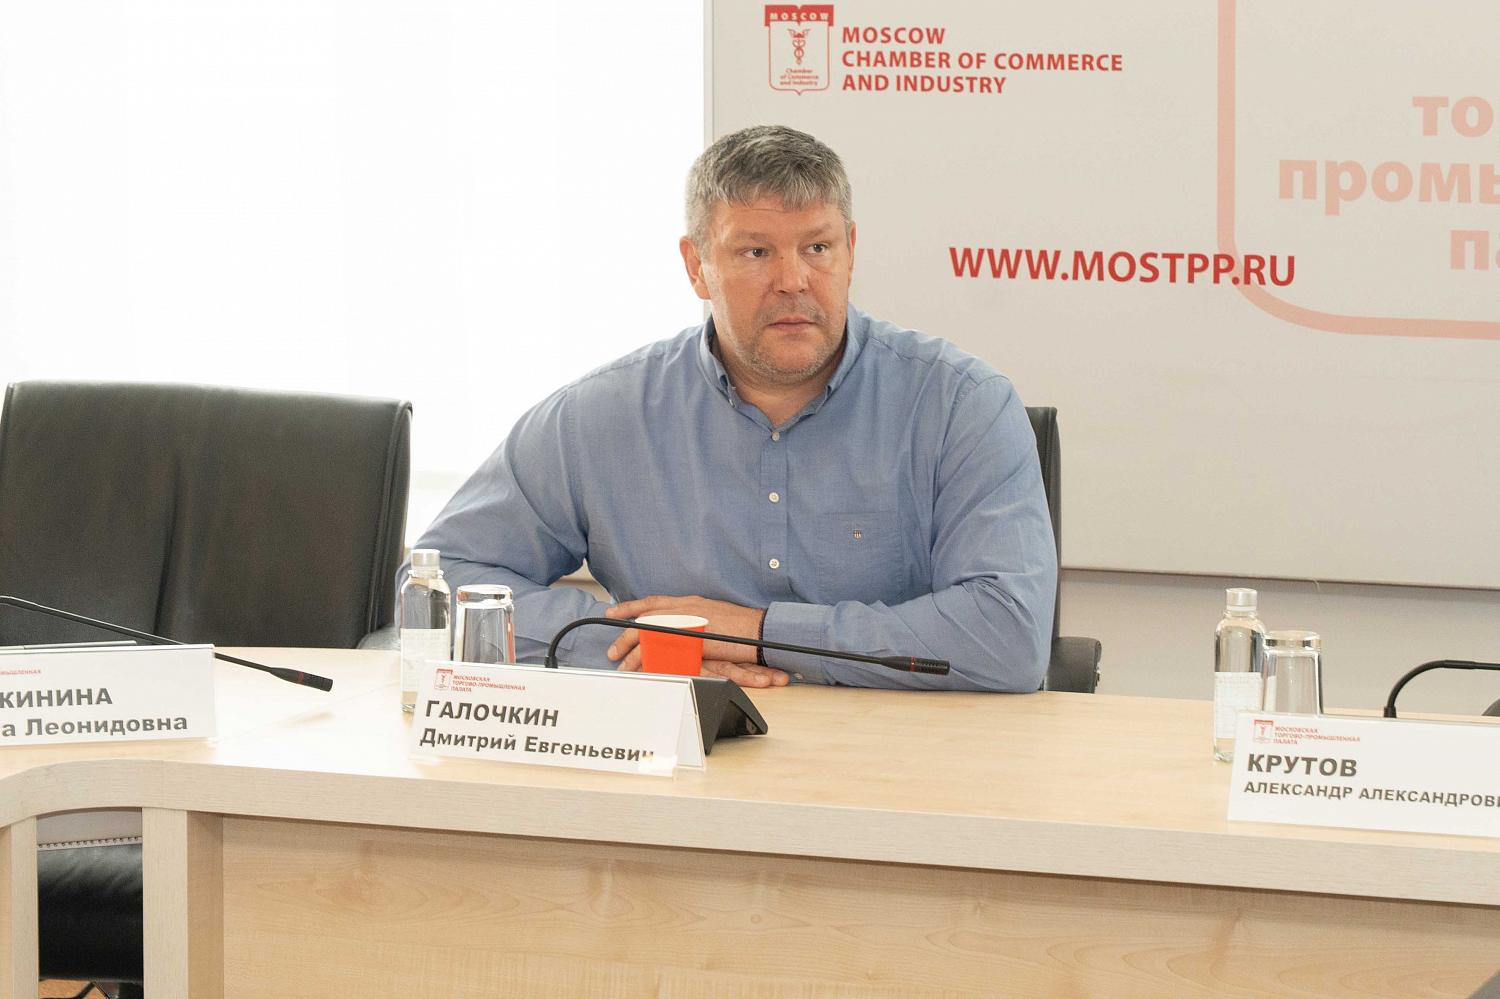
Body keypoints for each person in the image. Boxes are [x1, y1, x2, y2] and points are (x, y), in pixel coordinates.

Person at [411, 124, 1056, 691]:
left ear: (851, 250)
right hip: (677, 748)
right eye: (756, 252)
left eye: (818, 248)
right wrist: (648, 644)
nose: (794, 281)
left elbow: (1009, 636)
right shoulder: (599, 417)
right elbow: (440, 583)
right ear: (696, 266)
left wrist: (756, 634)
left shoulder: (961, 406)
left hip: (904, 758)